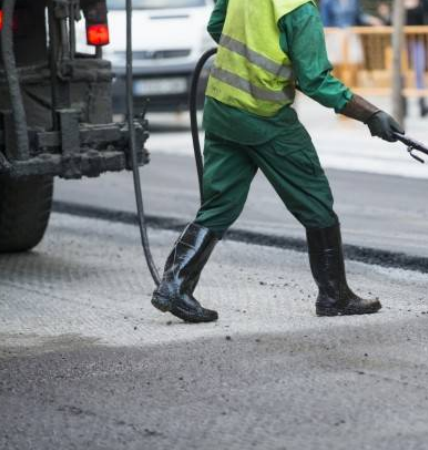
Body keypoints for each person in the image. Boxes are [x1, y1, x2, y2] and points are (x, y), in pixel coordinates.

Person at [150, 0, 404, 323]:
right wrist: (371, 115)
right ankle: (334, 296)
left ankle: (174, 285)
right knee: (315, 200)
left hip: (221, 107)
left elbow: (218, 26)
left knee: (218, 206)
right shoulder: (299, 8)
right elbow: (315, 81)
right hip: (265, 116)